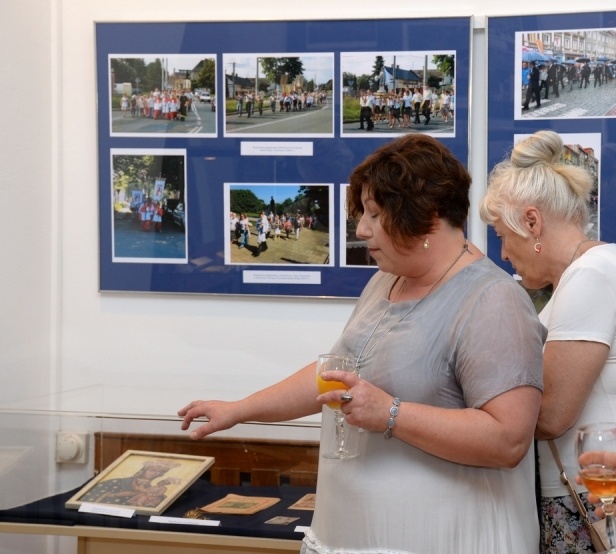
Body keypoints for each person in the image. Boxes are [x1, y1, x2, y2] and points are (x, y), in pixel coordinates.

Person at [179, 134, 546, 553]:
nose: (361, 229)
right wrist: (240, 410)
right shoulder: (385, 280)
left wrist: (391, 413)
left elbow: (508, 439)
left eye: (375, 213)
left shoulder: (493, 300)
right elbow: (335, 376)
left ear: (427, 216)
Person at [479, 130, 616, 553]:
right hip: (591, 490)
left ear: (532, 222)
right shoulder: (596, 267)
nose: (504, 254)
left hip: (591, 498)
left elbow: (549, 415)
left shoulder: (590, 276)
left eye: (501, 236)